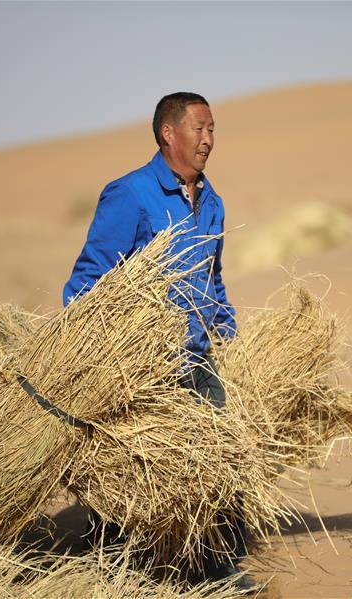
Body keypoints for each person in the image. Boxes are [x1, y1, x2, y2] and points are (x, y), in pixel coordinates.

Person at [62, 92, 254, 590]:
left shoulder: (213, 202)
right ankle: (107, 570)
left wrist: (227, 335)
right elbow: (91, 277)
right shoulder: (130, 193)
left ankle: (217, 572)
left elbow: (213, 281)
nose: (209, 139)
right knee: (129, 471)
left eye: (213, 130)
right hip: (139, 365)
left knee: (216, 464)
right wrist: (94, 353)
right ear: (169, 133)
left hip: (197, 359)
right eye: (199, 129)